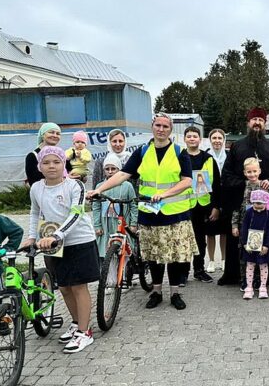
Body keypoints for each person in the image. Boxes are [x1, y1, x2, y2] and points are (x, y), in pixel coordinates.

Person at [89, 113, 198, 311]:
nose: (161, 129)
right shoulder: (142, 151)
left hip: (175, 212)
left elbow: (187, 181)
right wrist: (99, 189)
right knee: (153, 255)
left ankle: (174, 292)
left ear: (170, 130)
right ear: (152, 127)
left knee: (173, 256)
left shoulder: (179, 152)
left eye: (166, 126)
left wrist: (165, 194)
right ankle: (156, 291)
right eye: (158, 125)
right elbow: (122, 174)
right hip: (149, 212)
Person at [24, 146, 100, 353]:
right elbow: (34, 213)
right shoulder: (36, 188)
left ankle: (85, 333)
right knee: (64, 287)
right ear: (39, 166)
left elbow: (76, 214)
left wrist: (57, 235)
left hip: (78, 240)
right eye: (46, 162)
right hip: (53, 243)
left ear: (63, 165)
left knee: (78, 286)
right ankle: (76, 323)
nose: (51, 166)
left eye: (56, 162)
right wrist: (31, 237)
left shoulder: (75, 186)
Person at [219, 107, 269, 286]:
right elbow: (226, 175)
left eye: (261, 120)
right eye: (254, 119)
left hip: (265, 209)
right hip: (242, 207)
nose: (257, 122)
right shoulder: (237, 146)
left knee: (266, 240)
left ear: (264, 124)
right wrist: (245, 184)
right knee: (240, 243)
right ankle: (238, 277)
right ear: (248, 123)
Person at [179, 126, 221, 284]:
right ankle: (182, 274)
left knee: (200, 240)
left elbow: (217, 184)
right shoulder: (179, 157)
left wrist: (216, 207)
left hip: (203, 206)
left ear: (200, 139)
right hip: (183, 205)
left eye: (195, 136)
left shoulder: (208, 159)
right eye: (189, 136)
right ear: (184, 139)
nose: (192, 139)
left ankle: (199, 270)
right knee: (184, 240)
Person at [92, 155, 138, 261]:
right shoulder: (100, 186)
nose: (110, 171)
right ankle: (108, 275)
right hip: (106, 225)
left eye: (113, 169)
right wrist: (97, 225)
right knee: (106, 252)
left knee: (124, 251)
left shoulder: (127, 186)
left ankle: (125, 272)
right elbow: (96, 206)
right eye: (107, 169)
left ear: (119, 169)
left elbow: (133, 205)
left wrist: (133, 224)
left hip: (122, 224)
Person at [232, 157, 263, 290]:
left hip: (259, 227)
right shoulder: (242, 186)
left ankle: (257, 279)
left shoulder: (264, 186)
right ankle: (244, 279)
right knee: (244, 254)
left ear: (259, 171)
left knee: (258, 254)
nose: (252, 174)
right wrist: (234, 225)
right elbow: (236, 207)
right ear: (245, 173)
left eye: (255, 171)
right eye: (249, 172)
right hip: (244, 227)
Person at [241, 190, 269, 299]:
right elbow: (244, 228)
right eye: (256, 203)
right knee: (250, 265)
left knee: (263, 266)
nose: (258, 206)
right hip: (250, 245)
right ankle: (249, 287)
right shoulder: (249, 212)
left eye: (261, 204)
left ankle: (263, 287)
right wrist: (245, 243)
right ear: (252, 202)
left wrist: (266, 245)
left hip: (263, 246)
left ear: (265, 203)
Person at [205, 128, 227, 272]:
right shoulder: (205, 156)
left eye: (220, 138)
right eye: (214, 138)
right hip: (210, 198)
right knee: (210, 232)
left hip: (225, 198)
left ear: (223, 140)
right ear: (210, 140)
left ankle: (224, 260)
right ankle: (212, 261)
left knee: (224, 231)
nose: (217, 141)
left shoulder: (229, 156)